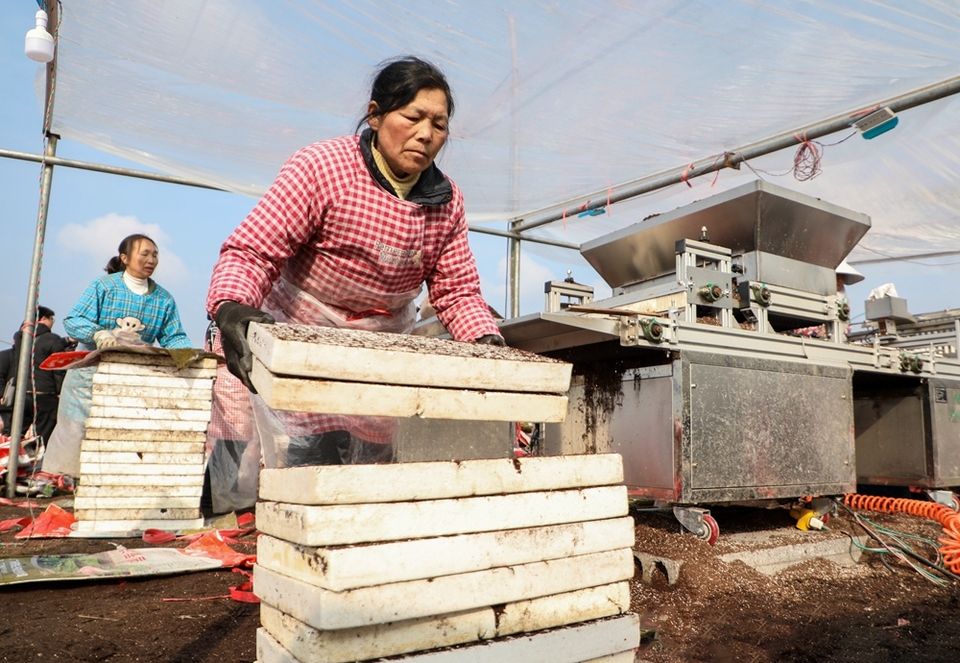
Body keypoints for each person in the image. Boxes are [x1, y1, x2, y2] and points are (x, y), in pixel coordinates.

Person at [203, 55, 505, 514]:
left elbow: (457, 289)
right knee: (290, 491)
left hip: (375, 360)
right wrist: (232, 307)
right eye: (413, 117)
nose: (426, 134)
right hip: (297, 343)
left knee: (361, 499)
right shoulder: (322, 167)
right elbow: (254, 251)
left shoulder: (447, 202)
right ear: (376, 114)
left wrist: (485, 340)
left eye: (439, 124)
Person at [42, 234, 192, 479]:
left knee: (120, 433)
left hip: (132, 380)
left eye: (155, 254)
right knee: (76, 431)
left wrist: (190, 357)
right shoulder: (103, 286)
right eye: (144, 253)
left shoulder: (164, 299)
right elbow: (73, 321)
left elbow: (174, 337)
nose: (151, 259)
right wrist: (97, 333)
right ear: (125, 258)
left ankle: (110, 484)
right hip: (88, 379)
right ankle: (62, 482)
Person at [5, 306, 68, 444]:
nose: (53, 323)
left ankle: (10, 461)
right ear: (43, 319)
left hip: (21, 392)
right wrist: (59, 391)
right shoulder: (53, 339)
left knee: (15, 433)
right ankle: (38, 463)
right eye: (52, 319)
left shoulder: (20, 336)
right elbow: (58, 369)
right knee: (44, 434)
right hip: (44, 393)